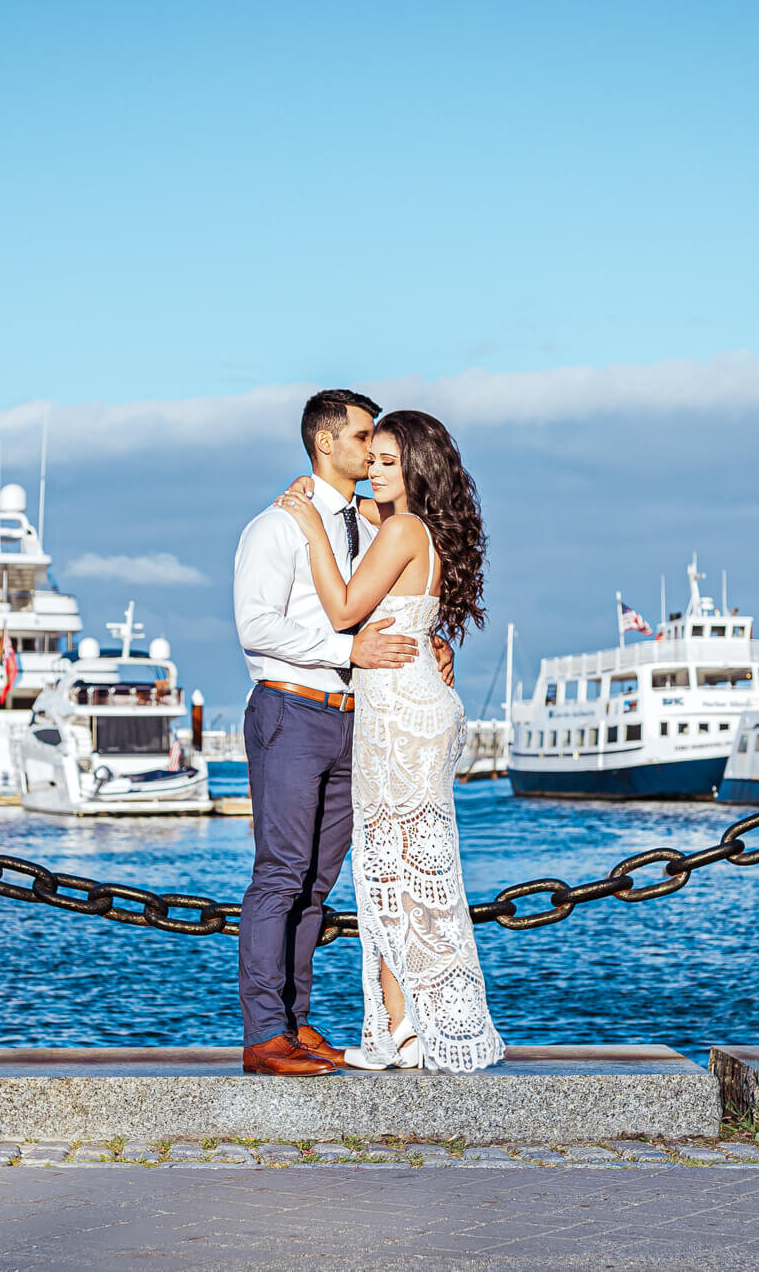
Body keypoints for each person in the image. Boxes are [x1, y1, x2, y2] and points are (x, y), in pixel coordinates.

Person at [273, 409, 505, 1074]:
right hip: (404, 709)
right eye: (369, 457)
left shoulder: (404, 528)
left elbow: (346, 609)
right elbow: (362, 533)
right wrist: (326, 505)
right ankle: (401, 1029)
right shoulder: (403, 527)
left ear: (416, 469)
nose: (371, 470)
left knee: (397, 875)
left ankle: (419, 1028)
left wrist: (309, 525)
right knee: (389, 876)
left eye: (386, 462)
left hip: (402, 718)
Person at [231, 389, 453, 1076]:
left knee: (316, 882)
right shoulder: (276, 527)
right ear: (326, 443)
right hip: (292, 711)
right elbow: (256, 626)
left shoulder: (367, 523)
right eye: (362, 437)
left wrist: (430, 639)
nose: (372, 448)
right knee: (279, 874)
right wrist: (342, 651)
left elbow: (388, 602)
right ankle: (265, 1033)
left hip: (355, 720)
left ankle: (297, 1024)